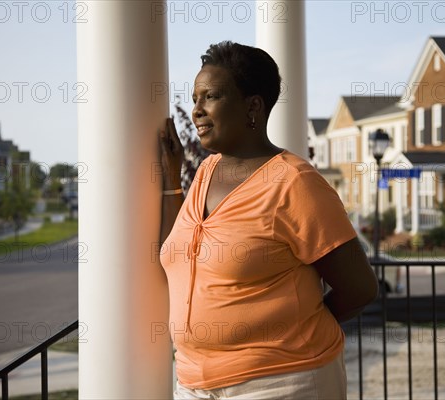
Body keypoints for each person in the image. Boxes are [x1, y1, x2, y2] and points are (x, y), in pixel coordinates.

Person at [159, 41, 378, 400]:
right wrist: (171, 181)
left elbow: (360, 288)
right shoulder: (205, 172)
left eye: (210, 97)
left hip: (281, 382)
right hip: (194, 384)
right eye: (195, 98)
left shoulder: (295, 184)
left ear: (253, 107)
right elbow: (176, 250)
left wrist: (293, 332)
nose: (196, 110)